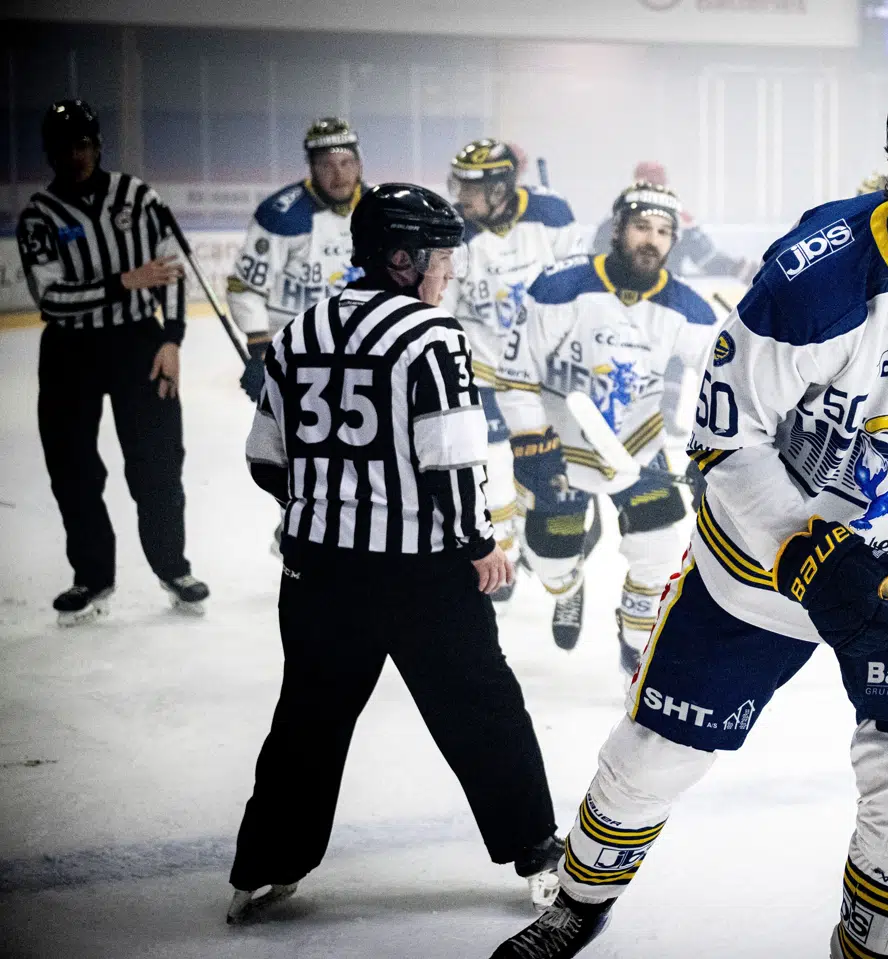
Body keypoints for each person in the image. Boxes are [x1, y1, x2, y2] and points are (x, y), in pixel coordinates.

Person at [488, 67, 888, 959]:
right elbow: (721, 443)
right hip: (759, 576)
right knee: (658, 753)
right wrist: (807, 552)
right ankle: (580, 902)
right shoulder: (812, 281)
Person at [229, 183, 563, 924]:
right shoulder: (431, 338)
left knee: (308, 717)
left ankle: (264, 863)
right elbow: (452, 460)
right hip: (423, 577)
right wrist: (479, 544)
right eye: (442, 258)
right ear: (404, 259)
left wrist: (330, 505)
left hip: (315, 570)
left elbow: (264, 459)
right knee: (482, 707)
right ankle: (538, 850)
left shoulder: (299, 331)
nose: (449, 274)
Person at [494, 182, 716, 661]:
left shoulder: (689, 310)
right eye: (641, 227)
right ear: (617, 230)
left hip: (636, 446)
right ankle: (566, 588)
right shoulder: (560, 286)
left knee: (659, 554)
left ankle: (636, 648)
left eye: (662, 231)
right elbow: (516, 373)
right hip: (559, 445)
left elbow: (727, 380)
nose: (651, 240)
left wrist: (713, 452)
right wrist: (530, 437)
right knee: (550, 561)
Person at [17, 99, 209, 625]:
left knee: (158, 464)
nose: (76, 155)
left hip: (138, 347)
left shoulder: (138, 197)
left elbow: (170, 273)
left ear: (97, 145)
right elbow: (52, 298)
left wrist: (171, 340)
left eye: (83, 144)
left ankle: (174, 568)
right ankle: (92, 577)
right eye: (64, 147)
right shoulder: (39, 215)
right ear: (50, 153)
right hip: (68, 353)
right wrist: (124, 282)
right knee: (74, 470)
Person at [443, 138, 588, 598]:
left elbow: (581, 284)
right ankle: (500, 558)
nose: (461, 197)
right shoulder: (452, 231)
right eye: (459, 185)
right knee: (491, 469)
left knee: (546, 480)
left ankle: (560, 575)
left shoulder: (552, 212)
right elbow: (441, 309)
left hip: (546, 377)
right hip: (483, 374)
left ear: (502, 187)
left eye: (472, 187)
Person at [229, 118, 367, 404]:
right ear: (312, 167)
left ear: (359, 163)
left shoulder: (378, 207)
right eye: (326, 165)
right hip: (297, 354)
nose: (338, 175)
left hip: (364, 352)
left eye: (346, 163)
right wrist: (259, 350)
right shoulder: (281, 215)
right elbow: (245, 289)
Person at [590, 161, 757, 282]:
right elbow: (706, 258)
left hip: (659, 295)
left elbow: (706, 258)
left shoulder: (618, 217)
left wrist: (738, 269)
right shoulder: (617, 219)